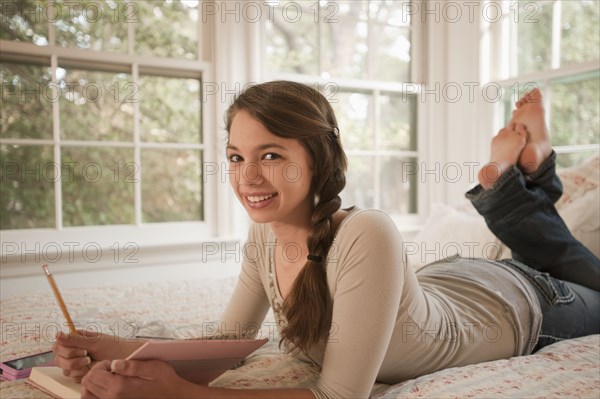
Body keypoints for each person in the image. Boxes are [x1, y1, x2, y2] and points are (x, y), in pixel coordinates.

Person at [53, 82, 600, 399]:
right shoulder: (264, 235)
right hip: (453, 283)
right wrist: (120, 352)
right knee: (552, 252)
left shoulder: (368, 231)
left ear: (318, 158)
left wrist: (179, 395)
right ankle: (536, 169)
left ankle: (527, 175)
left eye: (271, 155)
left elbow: (337, 397)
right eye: (236, 157)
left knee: (573, 270)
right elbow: (228, 342)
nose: (247, 178)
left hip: (528, 305)